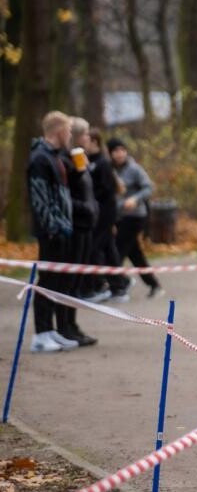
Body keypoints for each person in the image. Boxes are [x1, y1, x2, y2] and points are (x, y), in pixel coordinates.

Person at [26, 111, 78, 353]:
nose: (70, 136)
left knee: (59, 280)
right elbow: (41, 201)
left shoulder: (56, 157)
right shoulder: (39, 159)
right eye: (68, 131)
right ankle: (41, 333)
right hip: (52, 233)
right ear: (59, 132)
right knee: (46, 280)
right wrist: (57, 226)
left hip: (63, 230)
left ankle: (52, 330)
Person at [59, 118, 98, 346]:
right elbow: (68, 195)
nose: (88, 139)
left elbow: (87, 188)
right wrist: (85, 207)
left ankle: (72, 324)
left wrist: (94, 206)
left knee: (77, 281)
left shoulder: (81, 158)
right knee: (69, 280)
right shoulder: (66, 160)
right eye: (85, 135)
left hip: (87, 225)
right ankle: (64, 326)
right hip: (76, 226)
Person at [109, 137, 163, 299]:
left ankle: (120, 283)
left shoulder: (134, 169)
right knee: (135, 254)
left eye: (121, 150)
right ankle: (154, 284)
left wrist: (135, 199)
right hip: (119, 217)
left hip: (135, 217)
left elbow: (148, 187)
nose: (119, 154)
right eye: (115, 151)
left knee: (117, 252)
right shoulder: (110, 171)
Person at [82, 128, 123, 304]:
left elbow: (108, 188)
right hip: (96, 212)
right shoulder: (87, 161)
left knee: (95, 248)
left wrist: (91, 197)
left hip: (105, 212)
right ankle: (119, 284)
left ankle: (99, 283)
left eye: (87, 140)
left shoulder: (102, 163)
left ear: (95, 142)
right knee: (108, 249)